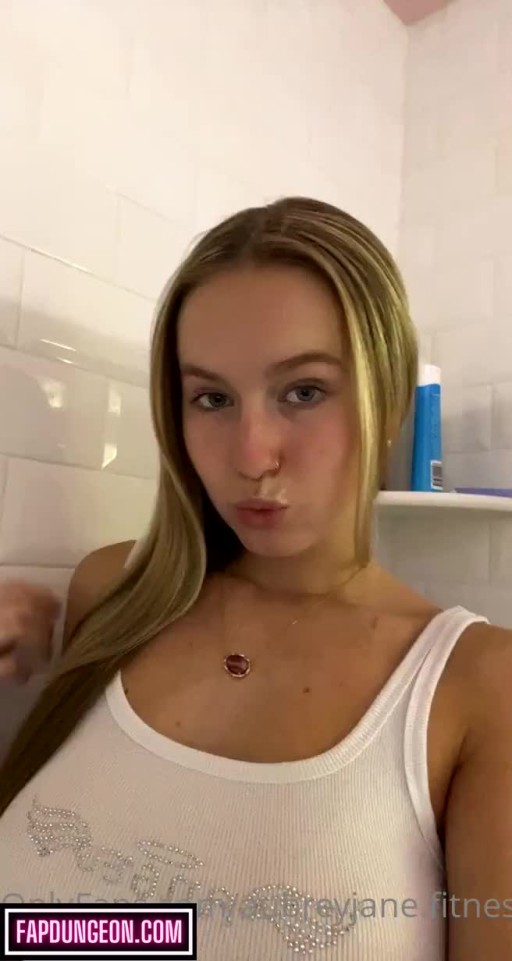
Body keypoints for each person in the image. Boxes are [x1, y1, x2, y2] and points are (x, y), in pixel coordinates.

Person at [0, 197, 510, 961]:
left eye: (304, 391)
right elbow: (72, 932)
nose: (250, 455)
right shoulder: (112, 593)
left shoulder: (478, 689)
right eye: (212, 398)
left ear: (391, 397)